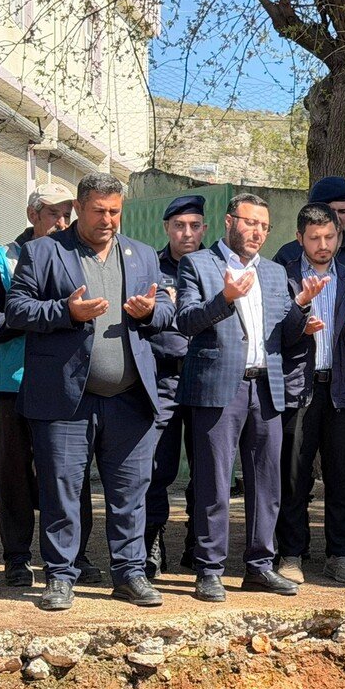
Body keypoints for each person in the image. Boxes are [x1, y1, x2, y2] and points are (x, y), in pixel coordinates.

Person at [7, 172, 173, 612]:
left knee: (130, 493)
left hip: (129, 399)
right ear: (79, 208)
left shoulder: (140, 255)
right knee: (61, 492)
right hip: (66, 400)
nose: (108, 220)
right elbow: (17, 310)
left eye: (115, 211)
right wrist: (66, 310)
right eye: (99, 210)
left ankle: (130, 573)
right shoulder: (43, 252)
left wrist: (153, 309)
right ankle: (61, 576)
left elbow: (168, 309)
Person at [176, 193, 326, 603]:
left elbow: (283, 334)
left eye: (264, 225)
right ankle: (209, 568)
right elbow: (186, 320)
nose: (257, 231)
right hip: (218, 388)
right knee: (214, 482)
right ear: (229, 222)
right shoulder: (198, 265)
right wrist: (224, 299)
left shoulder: (276, 273)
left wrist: (301, 310)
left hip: (266, 387)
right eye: (249, 222)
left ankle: (260, 565)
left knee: (267, 483)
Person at [0, 184, 100, 588]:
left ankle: (73, 557)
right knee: (14, 475)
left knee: (68, 473)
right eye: (55, 214)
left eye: (68, 214)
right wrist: (37, 318)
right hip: (17, 382)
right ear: (33, 216)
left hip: (66, 383)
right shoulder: (4, 258)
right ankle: (16, 557)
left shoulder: (79, 255)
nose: (63, 222)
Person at [274, 176, 345, 566]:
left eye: (330, 237)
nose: (323, 245)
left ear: (339, 235)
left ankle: (341, 553)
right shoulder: (281, 272)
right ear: (300, 237)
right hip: (297, 389)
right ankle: (291, 554)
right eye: (315, 238)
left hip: (344, 390)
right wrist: (297, 318)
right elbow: (272, 332)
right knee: (294, 477)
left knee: (344, 477)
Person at [144, 194, 205, 578]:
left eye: (194, 226)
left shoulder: (214, 266)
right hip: (162, 377)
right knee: (157, 467)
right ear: (166, 228)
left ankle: (198, 542)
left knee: (207, 467)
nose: (187, 233)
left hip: (203, 378)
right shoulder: (149, 265)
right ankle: (152, 542)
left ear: (204, 229)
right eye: (179, 226)